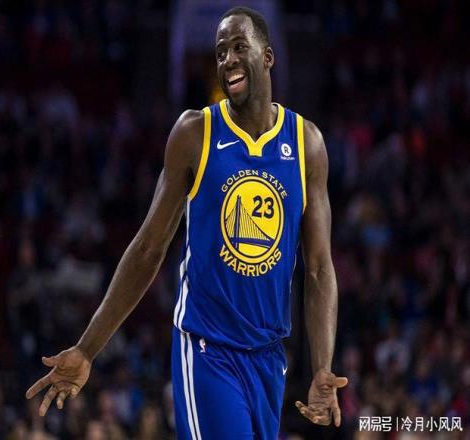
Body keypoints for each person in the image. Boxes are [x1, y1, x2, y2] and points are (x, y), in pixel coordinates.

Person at [26, 6, 348, 439]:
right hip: (207, 349)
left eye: (239, 47)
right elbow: (149, 248)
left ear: (268, 56)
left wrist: (323, 366)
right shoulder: (196, 133)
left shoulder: (306, 143)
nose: (228, 59)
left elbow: (320, 267)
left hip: (270, 356)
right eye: (220, 52)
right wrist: (87, 348)